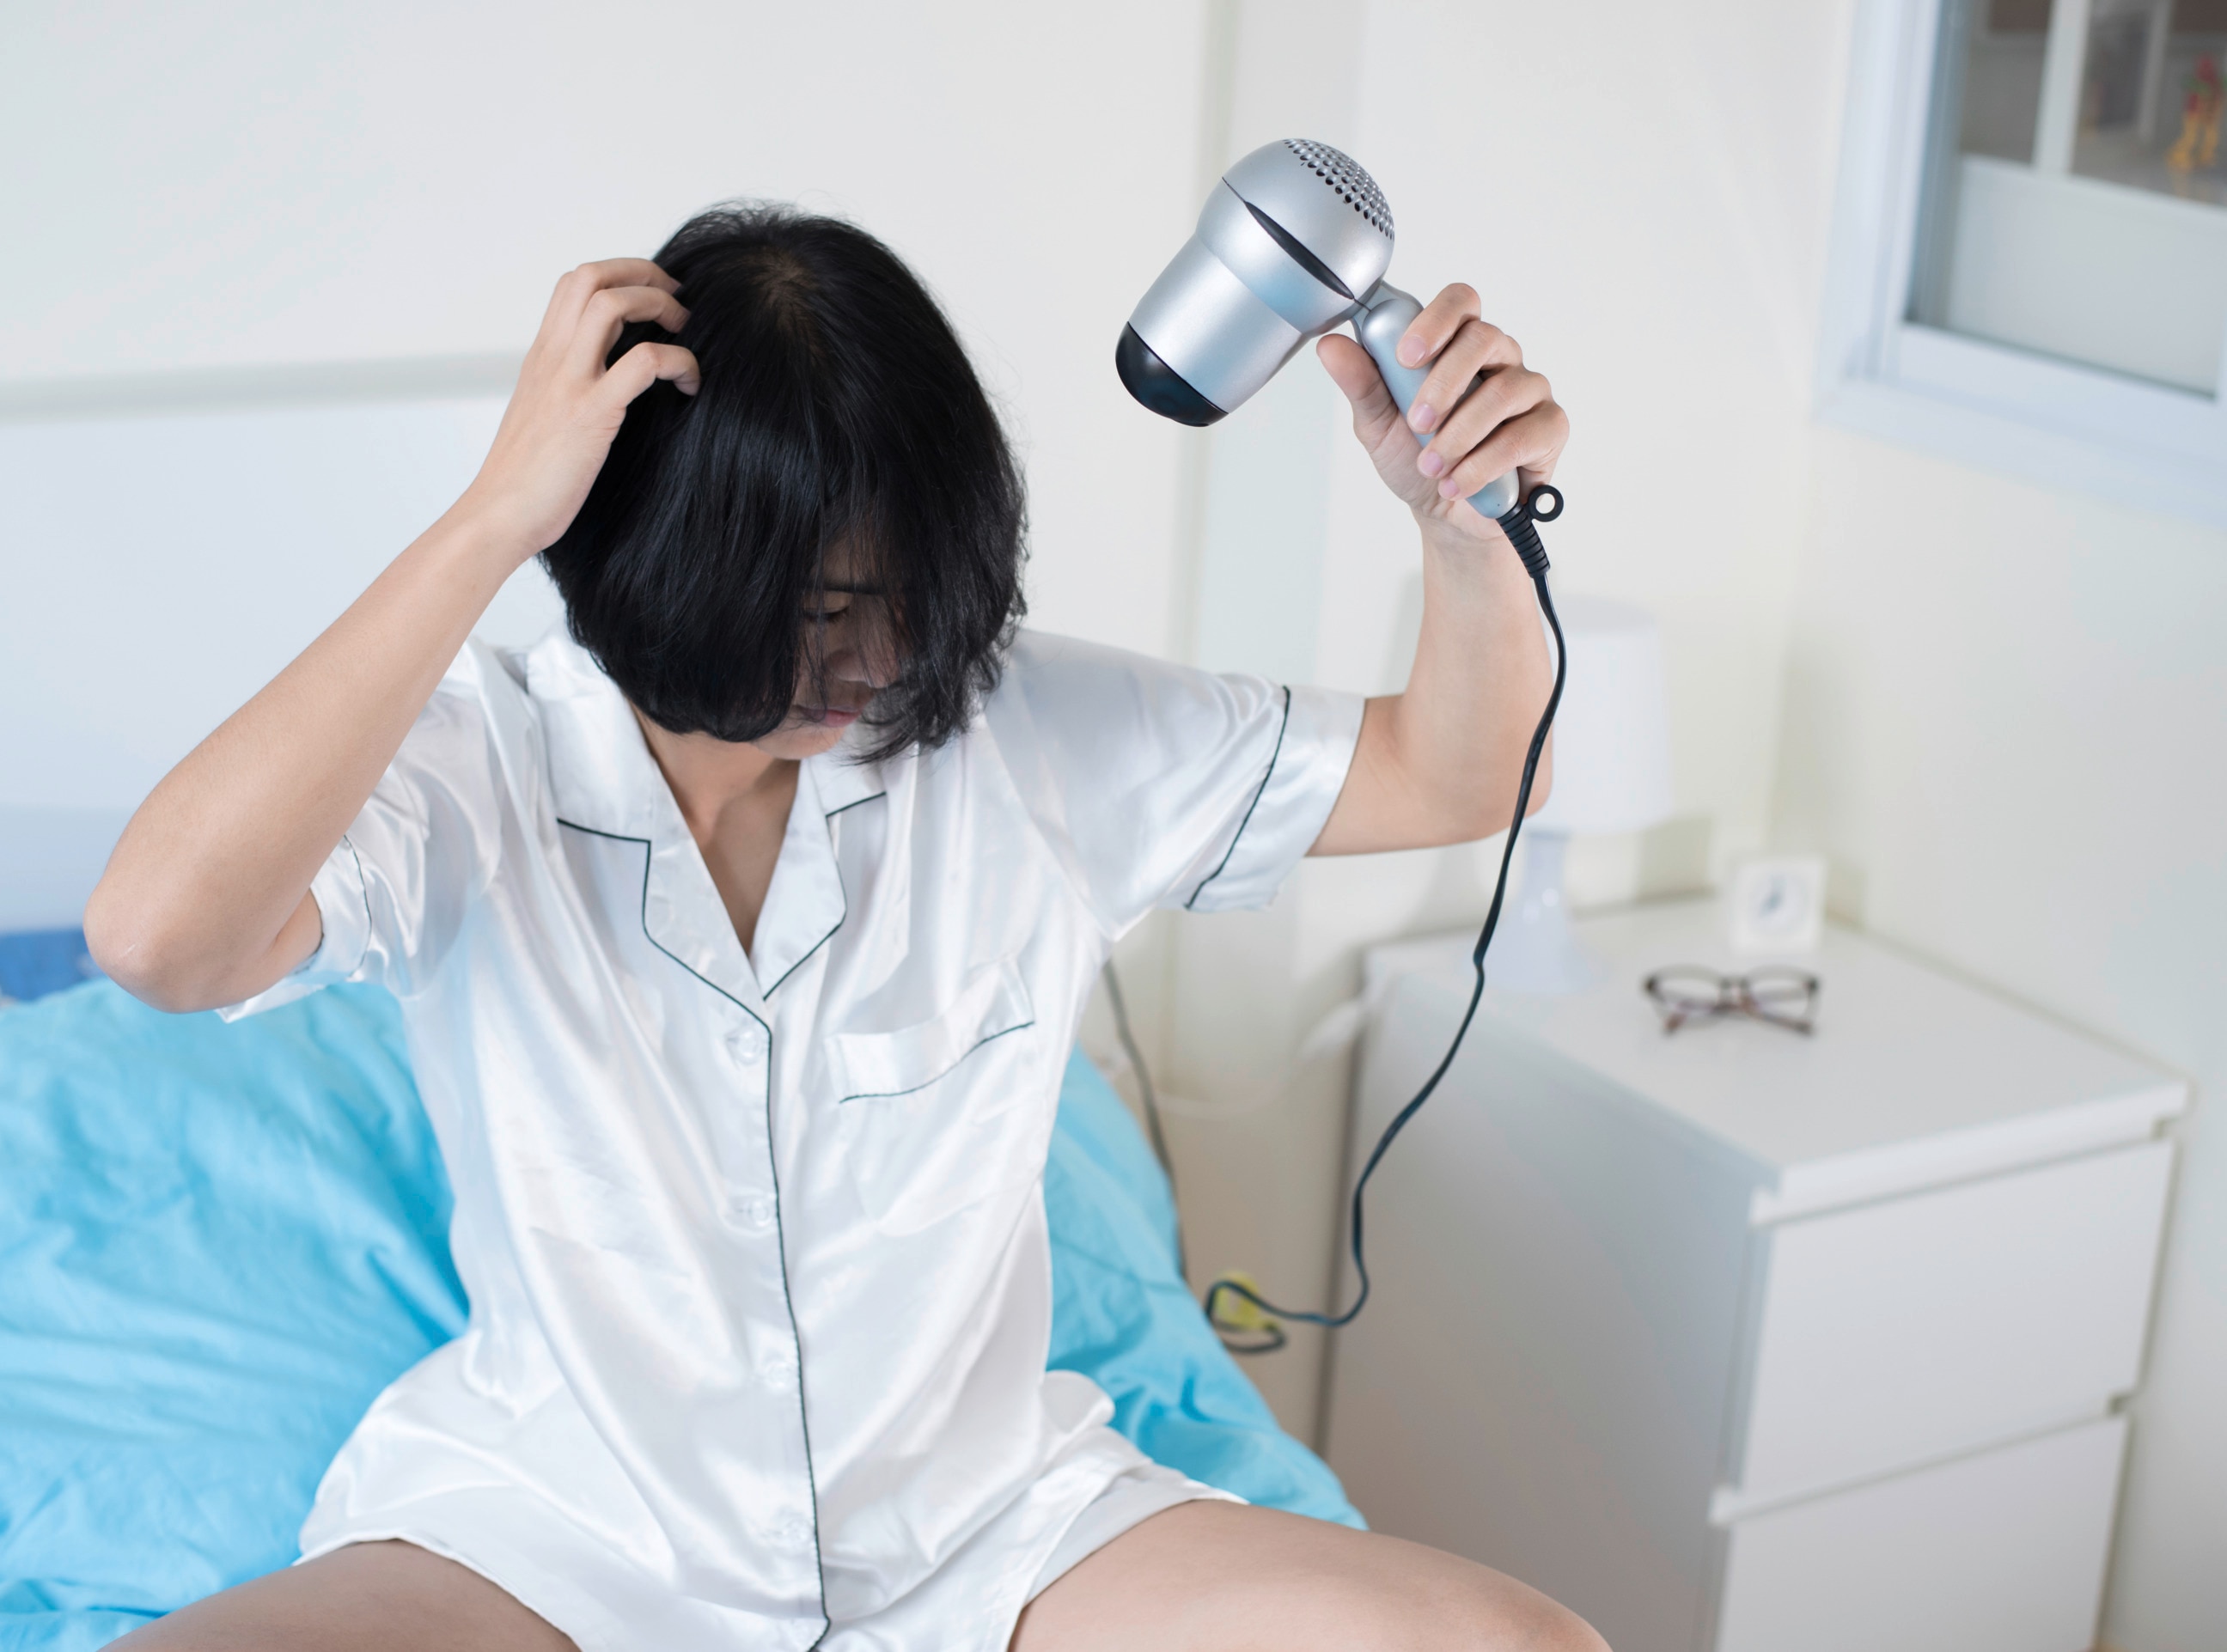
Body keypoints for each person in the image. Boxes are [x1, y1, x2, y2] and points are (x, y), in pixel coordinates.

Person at [87, 204, 1598, 1652]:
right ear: (670, 551)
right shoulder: (477, 766)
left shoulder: (1026, 735)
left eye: (913, 596)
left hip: (984, 1542)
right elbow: (160, 940)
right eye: (822, 610)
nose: (879, 659)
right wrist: (495, 518)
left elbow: (1459, 773)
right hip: (553, 1542)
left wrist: (1461, 526)